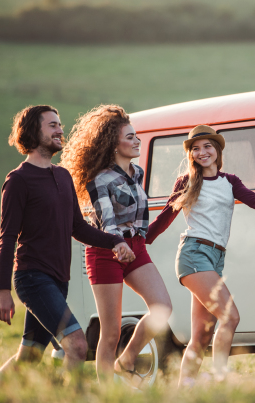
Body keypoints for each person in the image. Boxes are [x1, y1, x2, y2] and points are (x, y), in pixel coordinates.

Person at [0, 105, 135, 389]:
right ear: (33, 132)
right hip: (33, 277)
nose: (60, 130)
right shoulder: (18, 180)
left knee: (29, 356)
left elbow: (78, 228)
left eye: (60, 125)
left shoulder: (63, 176)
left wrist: (115, 241)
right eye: (52, 125)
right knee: (77, 345)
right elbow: (7, 237)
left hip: (59, 280)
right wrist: (3, 290)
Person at [146, 125, 255, 386]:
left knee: (201, 336)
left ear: (217, 149)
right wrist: (140, 241)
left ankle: (185, 390)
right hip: (194, 254)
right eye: (195, 148)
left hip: (215, 259)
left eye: (207, 146)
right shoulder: (187, 182)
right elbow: (165, 217)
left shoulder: (229, 181)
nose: (202, 152)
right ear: (191, 154)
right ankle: (220, 379)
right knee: (230, 317)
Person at [60, 105, 172, 385]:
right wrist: (118, 244)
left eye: (137, 136)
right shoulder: (98, 179)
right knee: (109, 333)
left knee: (162, 308)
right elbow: (107, 222)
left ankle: (128, 360)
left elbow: (141, 222)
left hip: (135, 248)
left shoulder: (137, 173)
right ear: (113, 143)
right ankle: (108, 393)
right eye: (130, 137)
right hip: (106, 251)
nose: (137, 141)